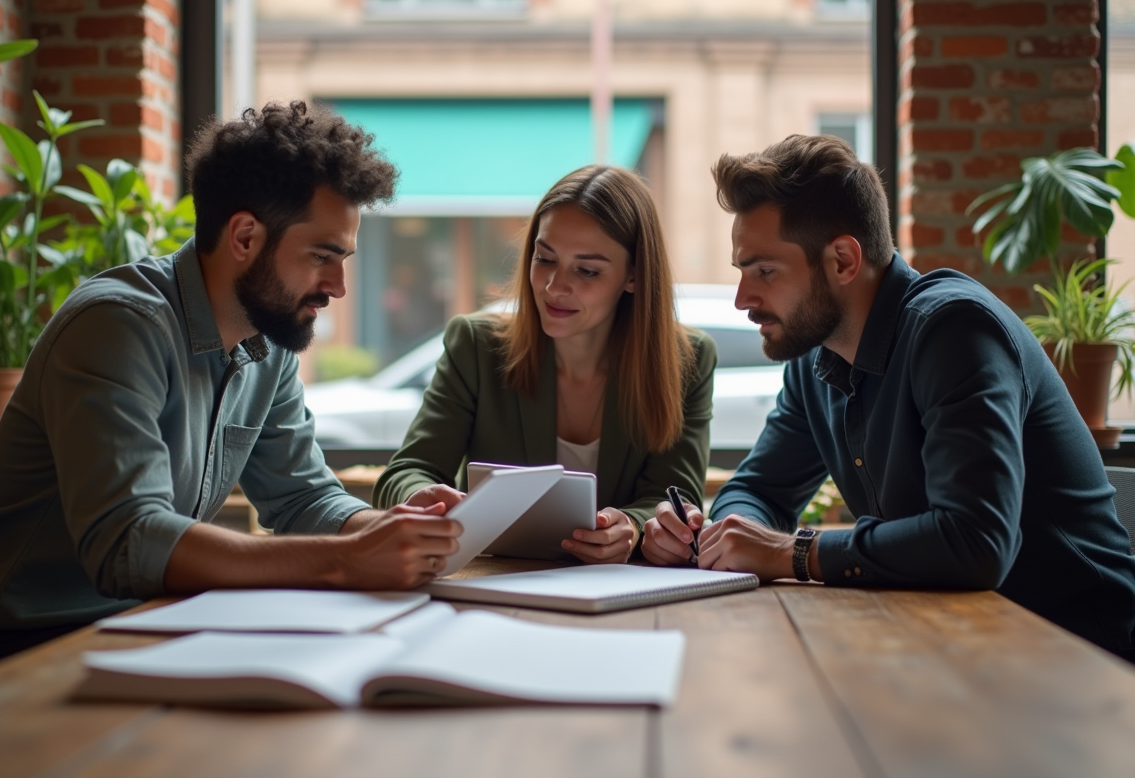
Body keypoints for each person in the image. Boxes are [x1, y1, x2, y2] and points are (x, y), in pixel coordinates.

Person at [0, 102, 463, 678]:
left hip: (145, 629)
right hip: (17, 650)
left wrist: (386, 528)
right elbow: (129, 543)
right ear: (244, 236)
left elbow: (302, 497)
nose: (338, 286)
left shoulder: (270, 338)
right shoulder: (115, 325)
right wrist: (346, 562)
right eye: (321, 256)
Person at [641, 134, 1135, 661]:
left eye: (764, 271)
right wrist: (716, 534)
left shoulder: (952, 331)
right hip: (952, 642)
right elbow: (760, 489)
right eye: (742, 271)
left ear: (843, 260)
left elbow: (975, 542)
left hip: (1079, 654)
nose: (743, 299)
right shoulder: (816, 359)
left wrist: (795, 551)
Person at [373, 165, 717, 563]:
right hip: (495, 583)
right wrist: (421, 496)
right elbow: (406, 473)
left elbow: (673, 495)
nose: (554, 287)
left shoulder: (687, 360)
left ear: (634, 276)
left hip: (621, 596)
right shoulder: (476, 345)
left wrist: (634, 525)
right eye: (545, 258)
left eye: (586, 270)